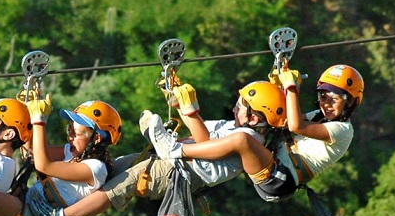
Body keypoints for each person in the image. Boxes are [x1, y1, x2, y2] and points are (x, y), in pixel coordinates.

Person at [28, 80, 286, 216]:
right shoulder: (234, 126)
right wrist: (180, 102)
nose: (235, 106)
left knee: (125, 182)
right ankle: (167, 146)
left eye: (241, 105)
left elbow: (205, 143)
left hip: (186, 172)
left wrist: (190, 113)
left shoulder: (250, 141)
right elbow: (202, 135)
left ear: (254, 117)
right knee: (119, 165)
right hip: (179, 161)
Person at [147, 65, 364, 202]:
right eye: (323, 97)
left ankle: (175, 150)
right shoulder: (320, 115)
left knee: (242, 140)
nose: (326, 103)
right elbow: (288, 119)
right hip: (272, 162)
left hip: (279, 180)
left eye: (334, 99)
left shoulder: (342, 130)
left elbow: (296, 126)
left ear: (352, 102)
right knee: (227, 134)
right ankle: (176, 143)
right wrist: (278, 82)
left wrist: (290, 89)